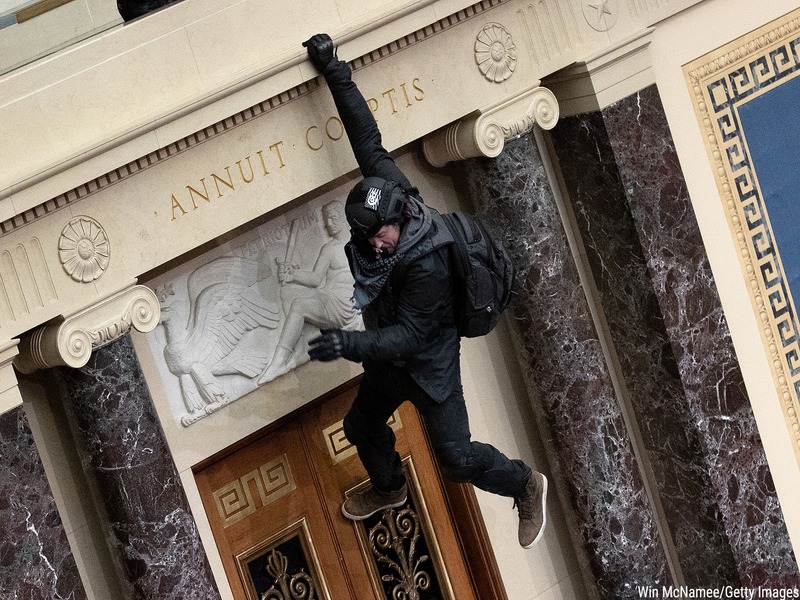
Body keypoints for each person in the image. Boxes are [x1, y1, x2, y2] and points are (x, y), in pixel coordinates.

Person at [302, 33, 547, 548]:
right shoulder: (387, 191)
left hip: (429, 366)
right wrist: (334, 72)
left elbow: (408, 338)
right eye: (365, 237)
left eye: (381, 234)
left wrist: (346, 344)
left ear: (400, 216)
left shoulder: (426, 262)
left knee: (456, 460)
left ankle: (523, 484)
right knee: (360, 427)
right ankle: (390, 488)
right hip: (390, 367)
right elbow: (366, 138)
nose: (375, 244)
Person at [258, 200, 360, 384]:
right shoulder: (328, 248)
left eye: (333, 217)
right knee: (288, 292)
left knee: (299, 304)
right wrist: (292, 275)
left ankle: (280, 361)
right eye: (326, 219)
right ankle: (296, 350)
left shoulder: (360, 242)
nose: (329, 222)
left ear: (345, 217)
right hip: (329, 296)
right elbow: (315, 278)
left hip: (346, 302)